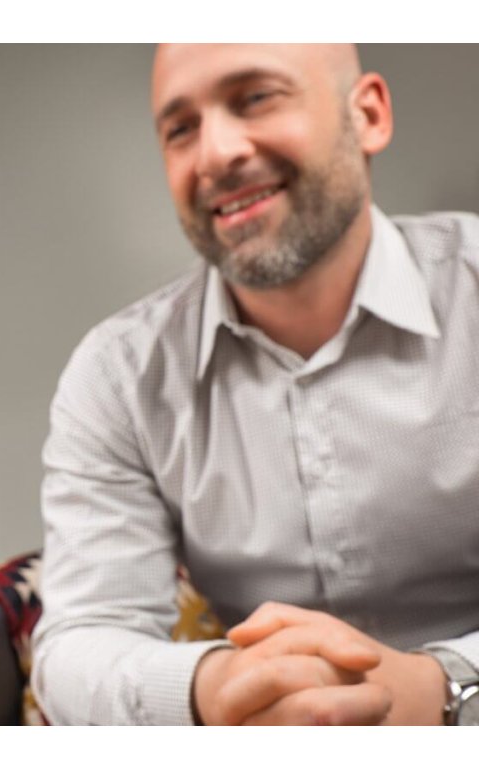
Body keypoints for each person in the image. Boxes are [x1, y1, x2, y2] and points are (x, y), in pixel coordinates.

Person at [31, 44, 479, 726]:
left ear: (368, 115)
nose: (214, 154)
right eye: (180, 128)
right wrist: (214, 688)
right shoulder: (117, 376)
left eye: (256, 97)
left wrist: (440, 690)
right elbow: (79, 641)